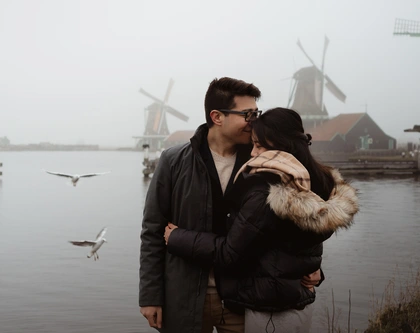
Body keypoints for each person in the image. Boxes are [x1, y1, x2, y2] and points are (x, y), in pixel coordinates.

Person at [139, 78, 320, 333]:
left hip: (244, 298)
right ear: (217, 117)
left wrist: (313, 268)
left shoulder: (264, 160)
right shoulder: (173, 161)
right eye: (248, 114)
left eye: (256, 113)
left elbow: (295, 222)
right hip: (186, 295)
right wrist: (150, 295)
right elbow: (152, 231)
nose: (254, 121)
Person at [164, 107, 359, 332]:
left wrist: (178, 237)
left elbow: (229, 253)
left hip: (269, 310)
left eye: (259, 145)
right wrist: (314, 272)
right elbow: (295, 248)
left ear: (282, 147)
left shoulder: (266, 193)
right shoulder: (315, 182)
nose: (253, 153)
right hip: (299, 303)